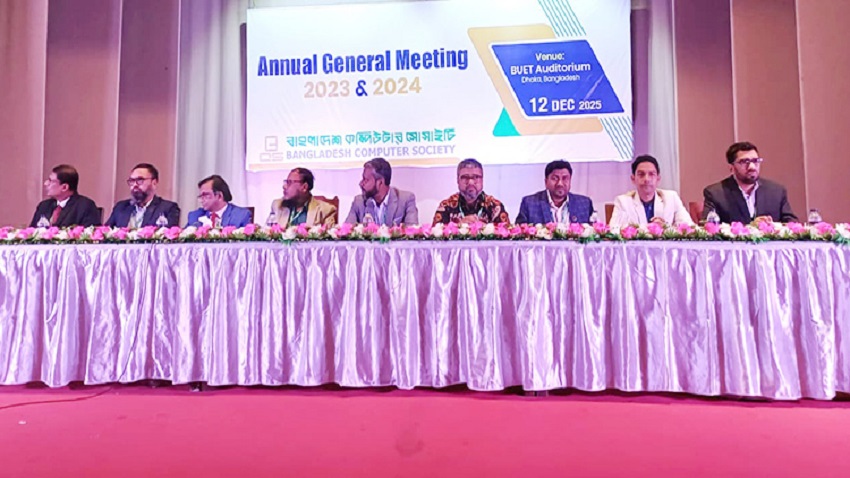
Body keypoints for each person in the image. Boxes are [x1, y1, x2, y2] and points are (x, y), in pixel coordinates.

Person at [702, 141, 797, 223]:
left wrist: (772, 227)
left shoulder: (776, 192)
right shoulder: (715, 193)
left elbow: (792, 224)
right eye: (744, 162)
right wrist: (752, 227)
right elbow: (709, 228)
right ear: (732, 168)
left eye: (755, 161)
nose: (752, 167)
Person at [609, 155, 693, 228]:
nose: (646, 179)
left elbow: (689, 228)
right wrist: (652, 228)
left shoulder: (671, 198)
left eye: (651, 174)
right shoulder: (623, 202)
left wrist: (665, 228)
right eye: (641, 174)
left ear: (658, 179)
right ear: (633, 179)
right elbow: (614, 230)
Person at [433, 158, 510, 225]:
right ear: (457, 180)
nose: (471, 182)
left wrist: (485, 230)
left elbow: (508, 234)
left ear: (482, 180)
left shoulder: (495, 206)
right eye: (465, 177)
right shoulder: (446, 206)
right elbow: (434, 234)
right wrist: (459, 228)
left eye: (476, 177)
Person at [515, 160, 593, 224]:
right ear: (546, 182)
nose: (560, 183)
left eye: (565, 178)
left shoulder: (584, 203)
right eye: (555, 178)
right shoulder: (529, 203)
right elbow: (519, 235)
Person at [345, 157, 418, 225]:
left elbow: (412, 230)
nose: (361, 183)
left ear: (380, 183)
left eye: (366, 180)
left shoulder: (406, 200)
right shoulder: (359, 202)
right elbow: (346, 230)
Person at [105, 163, 180, 228]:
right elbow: (105, 233)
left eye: (140, 180)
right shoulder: (121, 207)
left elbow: (169, 237)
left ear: (154, 183)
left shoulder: (168, 208)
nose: (135, 185)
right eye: (132, 181)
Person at [30, 164, 100, 227]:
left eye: (50, 181)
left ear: (64, 187)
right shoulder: (44, 206)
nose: (46, 183)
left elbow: (89, 234)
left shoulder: (85, 206)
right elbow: (31, 232)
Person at [270, 167, 336, 227]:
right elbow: (268, 232)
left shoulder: (325, 211)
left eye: (289, 182)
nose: (284, 186)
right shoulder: (277, 206)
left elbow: (328, 235)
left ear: (304, 187)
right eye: (286, 182)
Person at [186, 175, 252, 228]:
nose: (202, 200)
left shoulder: (241, 215)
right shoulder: (195, 216)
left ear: (219, 196)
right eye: (200, 196)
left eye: (205, 195)